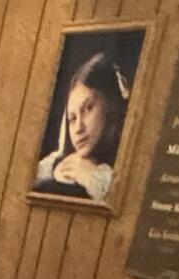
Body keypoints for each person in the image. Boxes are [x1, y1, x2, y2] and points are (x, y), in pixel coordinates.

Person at [31, 49, 128, 202]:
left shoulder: (128, 160)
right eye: (72, 119)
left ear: (110, 104)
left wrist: (92, 177)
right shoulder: (59, 166)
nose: (78, 128)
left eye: (88, 108)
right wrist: (57, 170)